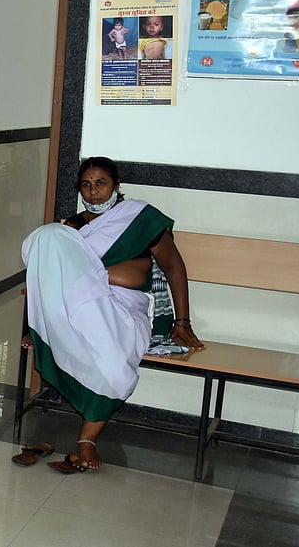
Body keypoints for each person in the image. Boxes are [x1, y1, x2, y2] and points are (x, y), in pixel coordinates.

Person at [17, 156, 204, 474]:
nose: (93, 192)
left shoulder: (140, 219)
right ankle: (52, 332)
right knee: (47, 234)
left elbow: (173, 266)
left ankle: (87, 438)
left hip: (122, 311)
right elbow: (49, 278)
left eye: (101, 184)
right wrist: (42, 327)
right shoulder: (71, 230)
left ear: (117, 186)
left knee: (114, 362)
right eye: (86, 186)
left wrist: (182, 321)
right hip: (79, 310)